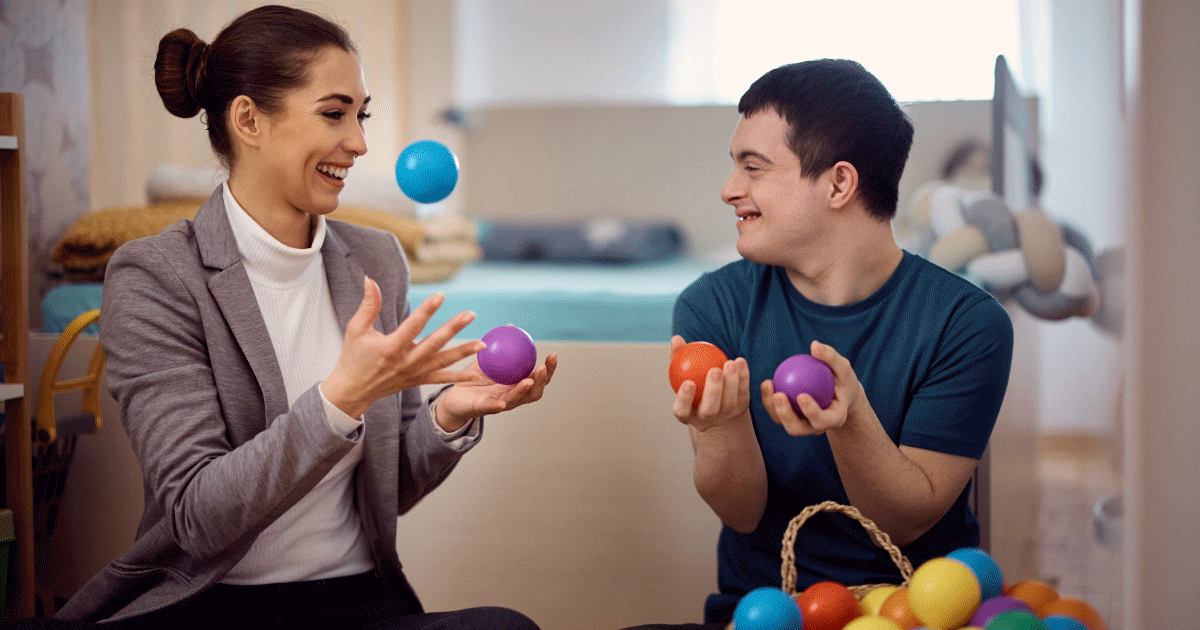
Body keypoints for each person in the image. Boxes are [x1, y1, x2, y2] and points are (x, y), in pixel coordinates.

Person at [35, 5, 555, 629]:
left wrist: (447, 417)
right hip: (215, 606)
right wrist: (340, 398)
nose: (360, 143)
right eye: (334, 114)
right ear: (249, 119)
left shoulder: (376, 261)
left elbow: (390, 490)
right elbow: (198, 517)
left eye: (361, 116)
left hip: (357, 600)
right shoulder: (155, 276)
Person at [624, 59, 1013, 628]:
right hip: (767, 611)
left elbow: (908, 521)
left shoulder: (967, 323)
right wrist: (718, 427)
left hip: (914, 610)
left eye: (753, 168)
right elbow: (740, 510)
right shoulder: (713, 306)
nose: (730, 190)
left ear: (838, 183)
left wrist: (850, 422)